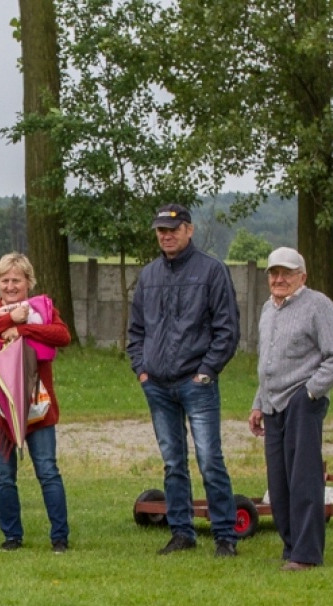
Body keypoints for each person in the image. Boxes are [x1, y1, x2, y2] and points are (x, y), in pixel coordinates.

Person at [127, 203, 242, 557]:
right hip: (158, 385)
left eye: (173, 230)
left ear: (189, 230)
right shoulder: (149, 275)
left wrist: (207, 370)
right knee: (173, 462)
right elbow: (136, 330)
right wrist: (141, 369)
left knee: (209, 459)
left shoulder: (212, 271)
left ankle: (225, 535)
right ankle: (181, 532)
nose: (167, 236)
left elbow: (227, 329)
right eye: (161, 231)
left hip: (197, 383)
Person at [249, 247, 333, 571]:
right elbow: (269, 363)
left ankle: (306, 554)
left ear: (302, 277)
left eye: (287, 273)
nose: (279, 279)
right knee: (278, 480)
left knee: (303, 478)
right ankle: (291, 546)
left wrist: (310, 392)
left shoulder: (318, 305)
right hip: (273, 404)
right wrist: (258, 403)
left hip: (302, 402)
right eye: (274, 273)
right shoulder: (268, 309)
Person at [0, 253, 72, 552]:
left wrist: (23, 328)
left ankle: (60, 537)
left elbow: (62, 335)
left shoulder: (42, 308)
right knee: (3, 474)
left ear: (29, 282)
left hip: (37, 405)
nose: (11, 286)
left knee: (47, 470)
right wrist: (8, 319)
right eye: (5, 280)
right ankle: (12, 536)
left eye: (17, 280)